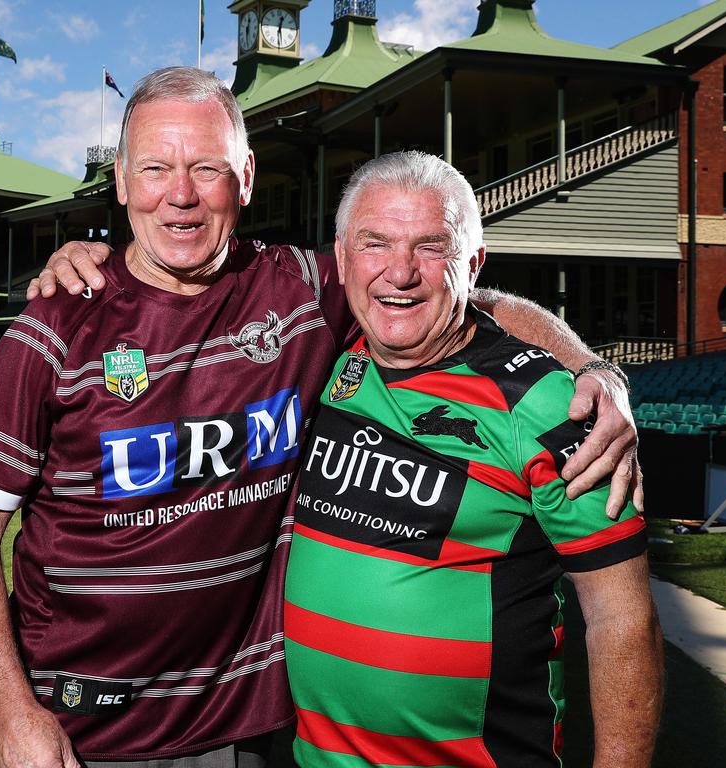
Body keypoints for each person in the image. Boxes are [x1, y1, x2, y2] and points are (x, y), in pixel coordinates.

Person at [0, 66, 638, 768]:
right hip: (74, 739)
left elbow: (462, 300)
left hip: (247, 738)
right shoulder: (55, 325)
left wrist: (592, 371)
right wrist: (11, 710)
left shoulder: (303, 290)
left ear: (244, 178)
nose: (179, 195)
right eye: (155, 168)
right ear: (120, 181)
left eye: (205, 168)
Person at [283, 151, 663, 767]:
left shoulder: (549, 409)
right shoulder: (328, 348)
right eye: (375, 243)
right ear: (343, 255)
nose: (400, 272)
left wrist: (594, 370)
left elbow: (623, 623)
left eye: (432, 247)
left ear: (472, 262)